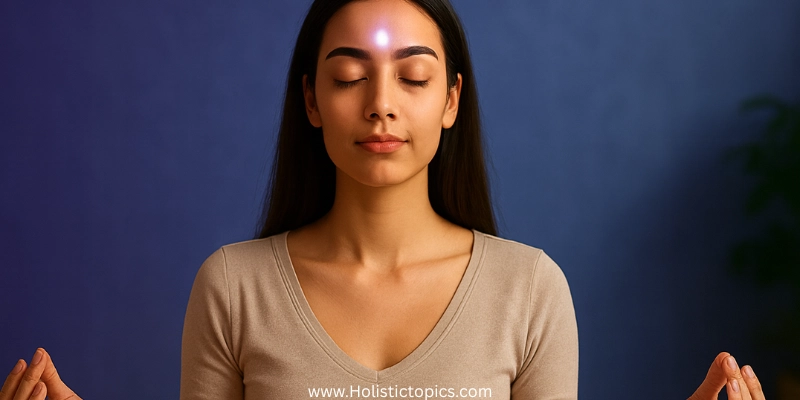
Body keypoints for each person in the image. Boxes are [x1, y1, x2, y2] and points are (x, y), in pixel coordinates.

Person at [0, 0, 769, 399]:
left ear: (451, 100)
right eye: (347, 76)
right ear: (310, 100)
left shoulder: (530, 288)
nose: (380, 104)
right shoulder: (231, 286)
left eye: (412, 75)